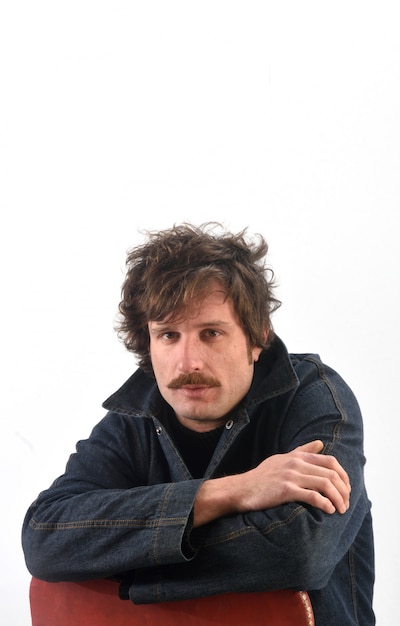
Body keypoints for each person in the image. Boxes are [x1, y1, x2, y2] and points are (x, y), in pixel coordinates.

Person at [22, 223, 375, 624]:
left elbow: (303, 551)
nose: (188, 362)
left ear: (257, 337)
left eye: (211, 333)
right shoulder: (133, 419)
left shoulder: (314, 397)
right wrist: (230, 492)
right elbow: (44, 535)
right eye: (169, 335)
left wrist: (121, 553)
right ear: (148, 342)